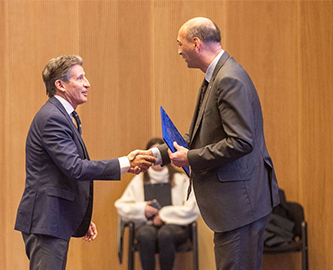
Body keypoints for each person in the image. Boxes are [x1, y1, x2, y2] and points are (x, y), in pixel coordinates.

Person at [149, 18, 280, 269]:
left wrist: (191, 158)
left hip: (240, 205)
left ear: (196, 43)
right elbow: (200, 138)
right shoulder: (217, 76)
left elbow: (241, 141)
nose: (179, 51)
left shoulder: (228, 79)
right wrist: (157, 154)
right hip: (236, 206)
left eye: (180, 44)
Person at [14, 55, 156, 270]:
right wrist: (125, 163)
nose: (87, 83)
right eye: (80, 78)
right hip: (46, 220)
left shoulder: (63, 115)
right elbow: (75, 167)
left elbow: (61, 174)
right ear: (60, 85)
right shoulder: (53, 117)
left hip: (54, 219)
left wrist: (78, 216)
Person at [115, 137, 199, 270]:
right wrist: (143, 209)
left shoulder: (180, 179)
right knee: (144, 235)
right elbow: (121, 206)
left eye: (161, 155)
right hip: (148, 226)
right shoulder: (140, 180)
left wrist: (164, 215)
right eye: (154, 156)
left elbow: (192, 209)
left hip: (174, 228)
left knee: (165, 234)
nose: (157, 160)